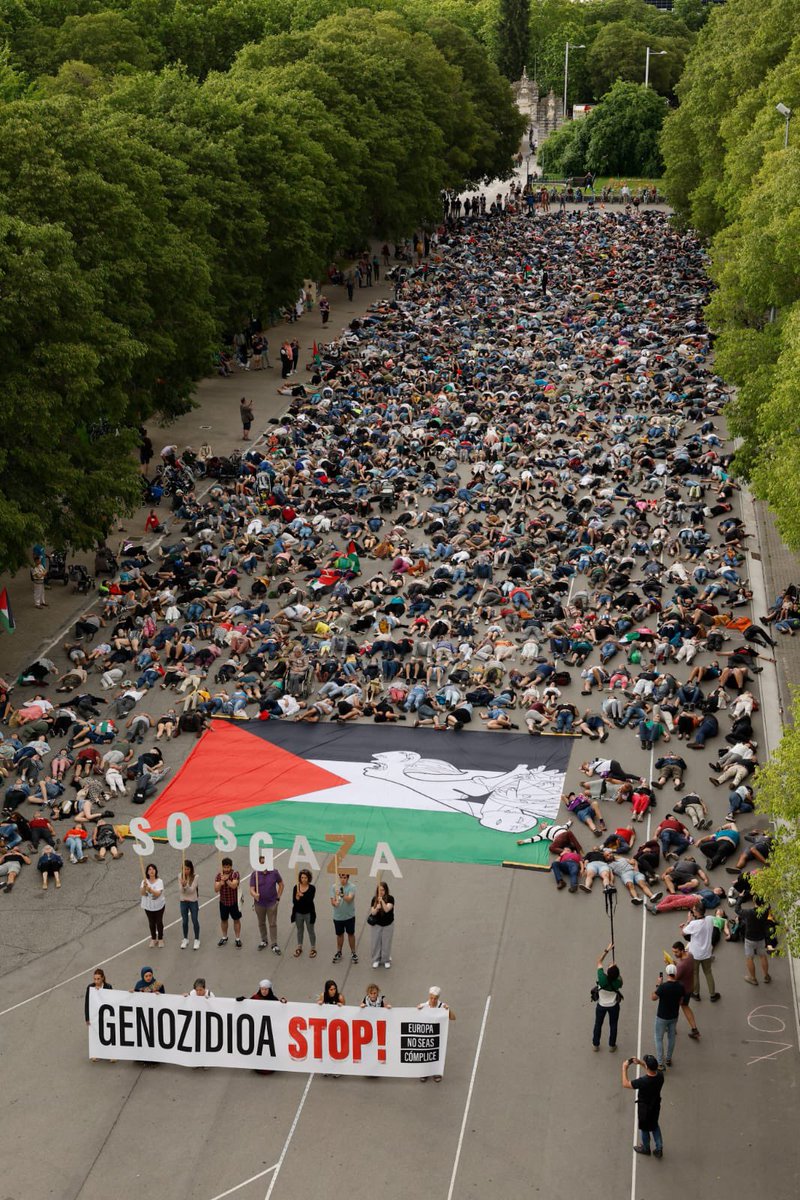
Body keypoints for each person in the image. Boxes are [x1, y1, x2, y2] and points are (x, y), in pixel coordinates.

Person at [622, 1054, 664, 1158]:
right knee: (654, 1125)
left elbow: (625, 1084)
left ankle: (646, 1148)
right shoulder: (660, 1076)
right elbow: (651, 1069)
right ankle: (659, 1149)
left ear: (648, 1067)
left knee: (644, 1128)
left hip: (644, 1109)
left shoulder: (643, 1081)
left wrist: (624, 1068)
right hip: (655, 1106)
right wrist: (640, 1063)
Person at [680, 904, 720, 1001]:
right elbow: (717, 919)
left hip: (695, 954)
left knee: (695, 974)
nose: (692, 911)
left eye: (693, 910)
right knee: (708, 973)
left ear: (697, 912)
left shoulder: (693, 924)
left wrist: (688, 921)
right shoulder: (710, 919)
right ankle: (712, 995)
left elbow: (683, 932)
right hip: (706, 953)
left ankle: (696, 993)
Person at [417, 986, 455, 1082]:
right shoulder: (423, 1006)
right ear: (429, 996)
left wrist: (448, 1010)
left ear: (438, 998)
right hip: (426, 1035)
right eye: (431, 998)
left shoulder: (442, 1006)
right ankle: (425, 1073)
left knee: (435, 1054)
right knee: (425, 1053)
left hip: (437, 1035)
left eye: (435, 998)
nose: (433, 1000)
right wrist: (416, 1011)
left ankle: (436, 1072)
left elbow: (453, 1017)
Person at [652, 964, 684, 1069]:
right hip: (674, 1016)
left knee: (658, 1038)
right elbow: (681, 1001)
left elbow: (653, 997)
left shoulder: (663, 987)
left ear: (667, 974)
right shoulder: (680, 986)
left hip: (662, 1016)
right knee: (671, 1037)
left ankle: (660, 1063)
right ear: (675, 973)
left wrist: (658, 984)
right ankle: (669, 1058)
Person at [592, 942, 623, 1052]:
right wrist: (616, 970)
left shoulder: (601, 978)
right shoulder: (617, 982)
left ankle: (595, 1044)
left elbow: (599, 961)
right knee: (613, 1025)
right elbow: (620, 981)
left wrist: (608, 949)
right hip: (613, 1006)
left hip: (601, 1005)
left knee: (598, 1024)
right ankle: (612, 1045)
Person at [249, 862, 284, 953]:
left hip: (272, 903)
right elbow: (251, 889)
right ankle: (264, 940)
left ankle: (274, 943)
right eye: (261, 862)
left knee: (272, 923)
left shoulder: (274, 872)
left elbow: (281, 884)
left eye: (264, 862)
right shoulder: (255, 874)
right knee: (261, 922)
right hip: (259, 904)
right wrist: (254, 894)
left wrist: (278, 896)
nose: (263, 864)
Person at [670, 941, 701, 1039]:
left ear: (682, 950)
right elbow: (681, 968)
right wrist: (675, 964)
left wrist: (670, 966)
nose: (675, 954)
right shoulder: (690, 956)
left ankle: (672, 1028)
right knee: (685, 1006)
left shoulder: (681, 965)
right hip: (689, 988)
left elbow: (675, 977)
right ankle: (694, 1029)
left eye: (676, 952)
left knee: (674, 1008)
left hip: (681, 991)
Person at [330, 868, 358, 964]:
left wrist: (341, 895)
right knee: (339, 935)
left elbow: (349, 899)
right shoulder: (334, 887)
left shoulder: (352, 887)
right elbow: (332, 901)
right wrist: (335, 903)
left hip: (349, 916)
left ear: (348, 878)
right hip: (338, 917)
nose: (343, 879)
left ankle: (353, 952)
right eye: (341, 877)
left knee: (351, 934)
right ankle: (339, 952)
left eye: (345, 877)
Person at [741, 905, 772, 986]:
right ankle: (766, 976)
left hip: (749, 939)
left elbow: (737, 909)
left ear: (755, 902)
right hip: (761, 938)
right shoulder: (765, 912)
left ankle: (753, 978)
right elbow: (768, 906)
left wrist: (740, 898)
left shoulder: (749, 912)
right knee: (762, 956)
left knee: (749, 958)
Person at [215, 856, 242, 948]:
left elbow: (234, 885)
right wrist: (220, 883)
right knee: (223, 920)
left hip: (234, 902)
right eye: (224, 867)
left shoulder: (235, 874)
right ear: (222, 867)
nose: (226, 869)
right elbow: (216, 889)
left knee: (236, 920)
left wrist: (226, 880)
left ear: (231, 867)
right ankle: (224, 936)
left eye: (228, 867)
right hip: (223, 902)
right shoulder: (219, 875)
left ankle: (237, 938)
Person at [290, 868, 317, 958]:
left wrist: (301, 896)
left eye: (305, 877)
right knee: (299, 930)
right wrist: (297, 898)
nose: (304, 879)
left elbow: (309, 900)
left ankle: (313, 948)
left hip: (308, 913)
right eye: (302, 877)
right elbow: (294, 902)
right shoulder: (296, 887)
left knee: (311, 931)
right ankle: (299, 947)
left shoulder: (312, 888)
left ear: (308, 878)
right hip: (298, 913)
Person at [369, 881, 395, 968]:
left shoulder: (390, 898)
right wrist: (377, 907)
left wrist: (382, 902)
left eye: (383, 890)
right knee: (376, 942)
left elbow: (387, 909)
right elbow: (372, 912)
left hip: (388, 925)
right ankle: (376, 959)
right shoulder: (374, 899)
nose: (381, 892)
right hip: (377, 925)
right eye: (379, 890)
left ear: (386, 890)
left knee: (386, 943)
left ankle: (386, 959)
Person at [140, 862, 166, 947]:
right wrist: (144, 887)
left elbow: (158, 894)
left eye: (153, 869)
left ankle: (161, 939)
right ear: (147, 872)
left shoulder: (159, 881)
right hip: (148, 906)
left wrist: (150, 889)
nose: (151, 871)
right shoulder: (144, 882)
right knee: (151, 923)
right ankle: (153, 939)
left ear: (156, 871)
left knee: (159, 922)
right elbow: (142, 893)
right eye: (149, 869)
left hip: (159, 906)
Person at [179, 859, 200, 950]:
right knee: (184, 921)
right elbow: (181, 891)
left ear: (191, 869)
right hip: (183, 901)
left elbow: (191, 890)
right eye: (184, 869)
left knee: (194, 920)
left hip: (193, 902)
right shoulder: (180, 876)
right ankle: (185, 938)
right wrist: (183, 886)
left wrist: (185, 885)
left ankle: (197, 939)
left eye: (188, 869)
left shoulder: (196, 876)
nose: (186, 871)